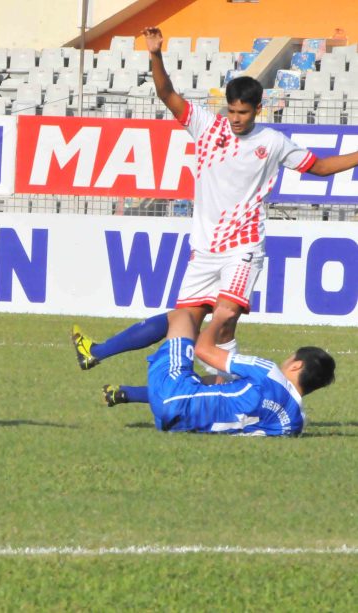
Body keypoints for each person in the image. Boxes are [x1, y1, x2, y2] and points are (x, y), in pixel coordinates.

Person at [71, 26, 358, 376]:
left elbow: (323, 167)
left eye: (244, 113)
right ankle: (100, 353)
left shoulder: (273, 142)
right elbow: (166, 93)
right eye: (232, 111)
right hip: (204, 249)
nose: (236, 119)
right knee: (183, 320)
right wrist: (156, 54)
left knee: (225, 317)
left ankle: (226, 391)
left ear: (258, 109)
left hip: (243, 246)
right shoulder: (207, 126)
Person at [103, 302, 335, 436]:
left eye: (290, 358)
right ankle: (125, 393)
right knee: (219, 383)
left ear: (297, 365)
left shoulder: (268, 371)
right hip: (180, 426)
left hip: (173, 396)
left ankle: (95, 352)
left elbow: (202, 350)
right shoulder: (296, 423)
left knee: (182, 316)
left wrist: (218, 319)